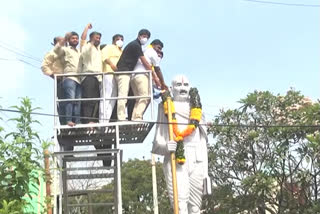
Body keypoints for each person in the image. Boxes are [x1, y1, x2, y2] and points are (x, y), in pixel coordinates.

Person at [152, 75, 210, 214]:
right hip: (177, 158)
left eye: (185, 85)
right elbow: (157, 142)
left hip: (197, 159)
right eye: (178, 85)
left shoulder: (197, 109)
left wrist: (206, 171)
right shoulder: (166, 107)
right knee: (180, 205)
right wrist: (166, 146)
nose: (183, 88)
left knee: (195, 206)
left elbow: (203, 141)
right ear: (172, 89)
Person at [116, 29, 161, 121]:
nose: (145, 39)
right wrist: (155, 77)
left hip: (130, 74)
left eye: (147, 37)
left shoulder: (139, 46)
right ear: (139, 35)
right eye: (144, 36)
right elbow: (145, 62)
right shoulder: (135, 45)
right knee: (124, 96)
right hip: (124, 72)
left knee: (138, 98)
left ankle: (135, 117)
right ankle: (121, 117)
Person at [130, 39, 165, 121]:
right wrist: (162, 83)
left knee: (139, 99)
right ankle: (137, 118)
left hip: (133, 77)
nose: (159, 51)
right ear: (153, 45)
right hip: (142, 75)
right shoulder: (152, 52)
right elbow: (157, 69)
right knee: (145, 97)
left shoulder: (144, 50)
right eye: (158, 48)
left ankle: (134, 118)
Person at [54, 32, 81, 128]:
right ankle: (68, 120)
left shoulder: (79, 52)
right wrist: (64, 38)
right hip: (69, 77)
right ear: (69, 41)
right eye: (73, 38)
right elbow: (56, 50)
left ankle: (77, 121)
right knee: (70, 100)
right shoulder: (65, 49)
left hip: (79, 79)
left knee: (78, 101)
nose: (75, 40)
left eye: (76, 38)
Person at [78, 23, 102, 124]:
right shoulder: (87, 47)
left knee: (96, 100)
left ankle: (93, 121)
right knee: (88, 100)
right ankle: (87, 121)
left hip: (98, 78)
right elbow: (82, 39)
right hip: (89, 77)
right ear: (91, 38)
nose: (98, 40)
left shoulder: (98, 49)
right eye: (96, 38)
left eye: (99, 38)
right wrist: (86, 28)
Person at [99, 34, 124, 123]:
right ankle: (102, 120)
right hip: (108, 74)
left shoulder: (122, 51)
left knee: (112, 99)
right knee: (106, 97)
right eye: (118, 39)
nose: (120, 41)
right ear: (113, 41)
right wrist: (112, 65)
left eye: (122, 39)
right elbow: (104, 57)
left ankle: (106, 121)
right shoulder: (109, 47)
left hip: (117, 77)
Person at [41, 36, 65, 124]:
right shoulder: (52, 53)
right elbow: (44, 66)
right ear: (55, 43)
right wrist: (53, 75)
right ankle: (64, 125)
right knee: (62, 103)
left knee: (74, 103)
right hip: (61, 81)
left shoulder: (67, 51)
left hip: (72, 79)